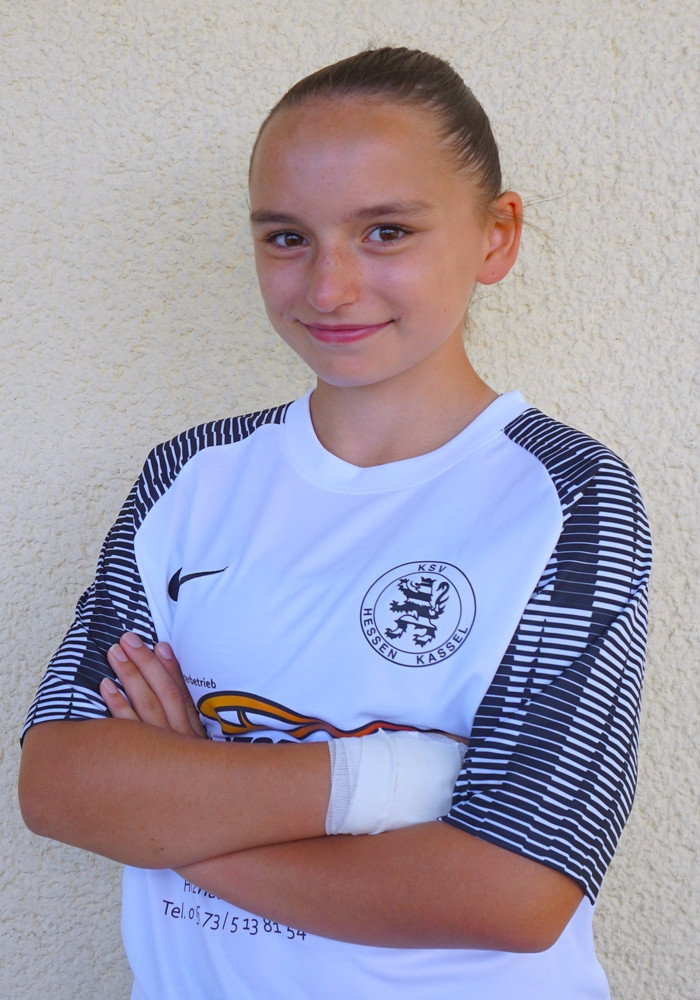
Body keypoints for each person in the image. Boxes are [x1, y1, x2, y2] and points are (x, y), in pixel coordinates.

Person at [18, 47, 651, 1000]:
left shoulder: (566, 495)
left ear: (496, 237)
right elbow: (61, 786)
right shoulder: (191, 477)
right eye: (287, 238)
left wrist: (178, 812)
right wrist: (396, 779)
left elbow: (516, 894)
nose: (328, 287)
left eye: (387, 231)